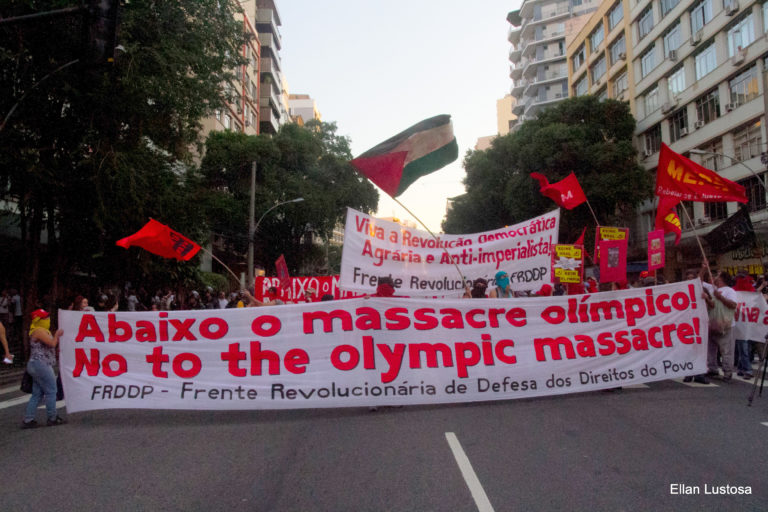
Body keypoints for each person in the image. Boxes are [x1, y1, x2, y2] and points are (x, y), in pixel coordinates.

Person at [22, 309, 66, 428]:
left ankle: (28, 419)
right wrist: (56, 335)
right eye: (45, 317)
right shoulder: (39, 331)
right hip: (41, 364)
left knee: (37, 393)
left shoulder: (37, 330)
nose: (48, 319)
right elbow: (52, 344)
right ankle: (52, 417)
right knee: (52, 391)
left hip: (36, 364)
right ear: (39, 320)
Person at [704, 271, 738, 382]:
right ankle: (712, 368)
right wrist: (707, 299)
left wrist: (720, 298)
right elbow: (712, 305)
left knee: (726, 350)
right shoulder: (714, 290)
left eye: (717, 276)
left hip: (726, 325)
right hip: (713, 324)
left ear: (722, 279)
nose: (715, 278)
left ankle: (727, 372)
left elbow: (733, 305)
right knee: (711, 349)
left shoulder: (730, 291)